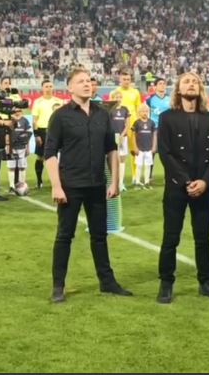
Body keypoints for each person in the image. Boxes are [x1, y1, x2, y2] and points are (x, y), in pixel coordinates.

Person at [44, 67, 132, 303]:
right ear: (70, 87)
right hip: (70, 186)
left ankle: (107, 282)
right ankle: (58, 286)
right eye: (81, 81)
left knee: (100, 236)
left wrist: (114, 181)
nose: (87, 84)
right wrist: (56, 186)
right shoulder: (60, 116)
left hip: (97, 185)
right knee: (64, 236)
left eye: (89, 81)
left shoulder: (102, 114)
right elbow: (50, 153)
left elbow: (111, 149)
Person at [156, 72, 209, 304]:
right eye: (186, 81)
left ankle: (206, 283)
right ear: (178, 89)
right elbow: (165, 153)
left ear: (201, 89)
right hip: (176, 188)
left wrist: (205, 182)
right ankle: (166, 283)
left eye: (195, 81)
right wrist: (186, 181)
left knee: (203, 238)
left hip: (203, 189)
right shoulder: (166, 117)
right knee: (171, 238)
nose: (191, 84)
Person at [31, 80, 63, 190]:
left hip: (57, 131)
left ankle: (57, 181)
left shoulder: (59, 101)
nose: (48, 88)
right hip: (42, 131)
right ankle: (39, 180)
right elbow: (35, 120)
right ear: (42, 88)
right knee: (40, 156)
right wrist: (36, 135)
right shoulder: (37, 102)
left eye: (50, 86)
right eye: (46, 86)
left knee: (58, 156)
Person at [130, 104, 156, 189]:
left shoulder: (151, 122)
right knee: (139, 166)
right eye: (143, 111)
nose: (145, 113)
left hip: (149, 148)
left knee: (148, 166)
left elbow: (154, 135)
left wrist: (154, 147)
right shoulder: (137, 123)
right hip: (139, 148)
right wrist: (135, 147)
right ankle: (137, 182)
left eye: (146, 111)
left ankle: (147, 182)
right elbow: (133, 136)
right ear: (139, 112)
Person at [109, 91, 131, 191]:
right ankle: (113, 182)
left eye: (119, 97)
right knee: (113, 159)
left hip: (123, 137)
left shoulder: (125, 109)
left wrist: (122, 135)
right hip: (112, 137)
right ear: (112, 98)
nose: (118, 99)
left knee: (122, 160)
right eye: (116, 97)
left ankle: (121, 183)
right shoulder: (110, 110)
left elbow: (127, 125)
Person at [6, 108, 32, 193]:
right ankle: (11, 186)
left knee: (22, 167)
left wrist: (28, 148)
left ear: (22, 111)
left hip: (22, 147)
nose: (17, 112)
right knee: (11, 167)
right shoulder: (9, 120)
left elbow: (28, 135)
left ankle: (22, 185)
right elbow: (6, 134)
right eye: (15, 111)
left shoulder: (25, 121)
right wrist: (7, 146)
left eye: (19, 111)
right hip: (11, 148)